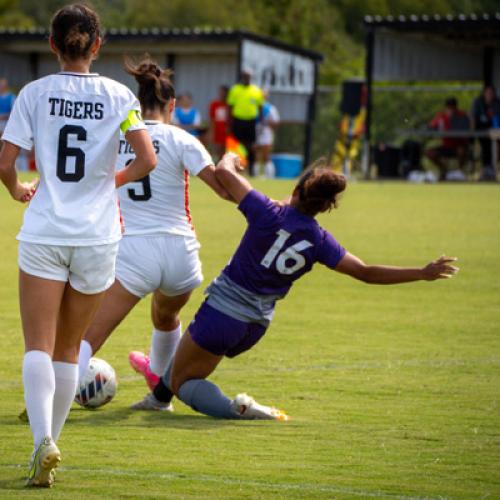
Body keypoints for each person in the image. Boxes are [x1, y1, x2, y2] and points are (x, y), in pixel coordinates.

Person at [131, 154, 459, 420]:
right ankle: (157, 400)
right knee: (188, 350)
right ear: (324, 207)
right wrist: (421, 272)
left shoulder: (266, 212)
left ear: (298, 192)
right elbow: (365, 272)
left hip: (223, 314)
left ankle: (239, 409)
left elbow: (223, 171)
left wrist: (231, 157)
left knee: (184, 383)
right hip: (256, 324)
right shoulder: (318, 239)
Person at [0, 4, 156, 487]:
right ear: (97, 45)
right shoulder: (119, 93)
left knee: (38, 346)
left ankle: (42, 440)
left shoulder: (34, 92)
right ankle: (50, 447)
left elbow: (5, 162)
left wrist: (17, 189)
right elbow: (147, 159)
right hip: (97, 234)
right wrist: (115, 178)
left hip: (46, 229)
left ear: (52, 45)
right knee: (69, 349)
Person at [77, 57, 232, 403]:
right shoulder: (183, 139)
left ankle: (45, 402)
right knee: (166, 315)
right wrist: (236, 171)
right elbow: (224, 190)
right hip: (181, 254)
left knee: (89, 336)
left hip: (133, 252)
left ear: (136, 102)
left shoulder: (116, 138)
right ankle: (160, 397)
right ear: (172, 105)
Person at [227, 70, 264, 176]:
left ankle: (251, 169)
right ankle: (234, 168)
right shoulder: (235, 89)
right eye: (245, 76)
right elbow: (230, 107)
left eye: (248, 76)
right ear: (241, 77)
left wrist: (260, 123)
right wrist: (229, 123)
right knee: (236, 145)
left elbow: (260, 107)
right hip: (238, 120)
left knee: (251, 145)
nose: (246, 78)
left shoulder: (256, 90)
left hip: (251, 122)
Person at [424, 97, 469, 181]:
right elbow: (431, 126)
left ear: (456, 108)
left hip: (458, 145)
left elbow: (466, 129)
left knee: (461, 151)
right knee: (429, 152)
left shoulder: (462, 116)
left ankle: (459, 173)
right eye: (449, 107)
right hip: (446, 146)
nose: (450, 110)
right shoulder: (442, 116)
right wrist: (432, 128)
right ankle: (444, 170)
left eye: (452, 108)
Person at [471, 85, 500, 180]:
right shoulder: (478, 102)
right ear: (484, 93)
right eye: (488, 93)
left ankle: (492, 170)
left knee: (495, 148)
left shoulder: (497, 103)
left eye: (491, 93)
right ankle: (485, 171)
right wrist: (473, 132)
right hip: (481, 131)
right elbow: (473, 118)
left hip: (495, 131)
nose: (489, 95)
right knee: (486, 148)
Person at [255, 89, 280, 178]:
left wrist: (267, 122)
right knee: (256, 154)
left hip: (266, 133)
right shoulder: (254, 107)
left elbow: (276, 122)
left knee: (266, 155)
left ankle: (269, 176)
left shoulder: (270, 108)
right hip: (256, 132)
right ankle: (256, 175)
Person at [208, 85, 229, 161]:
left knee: (224, 150)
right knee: (216, 148)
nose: (222, 94)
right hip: (217, 130)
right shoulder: (214, 104)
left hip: (226, 131)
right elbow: (212, 119)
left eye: (223, 92)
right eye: (220, 92)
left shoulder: (229, 105)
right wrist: (211, 131)